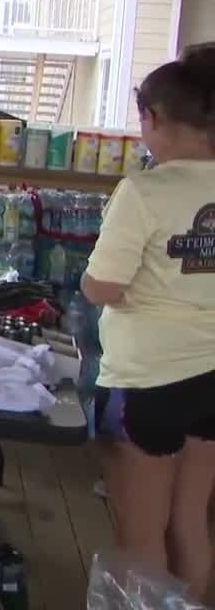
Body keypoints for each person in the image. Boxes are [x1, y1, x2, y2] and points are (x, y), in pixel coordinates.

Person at [83, 45, 215, 597]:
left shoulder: (144, 190)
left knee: (142, 535)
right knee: (191, 522)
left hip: (148, 379)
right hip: (212, 375)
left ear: (154, 118)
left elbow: (102, 286)